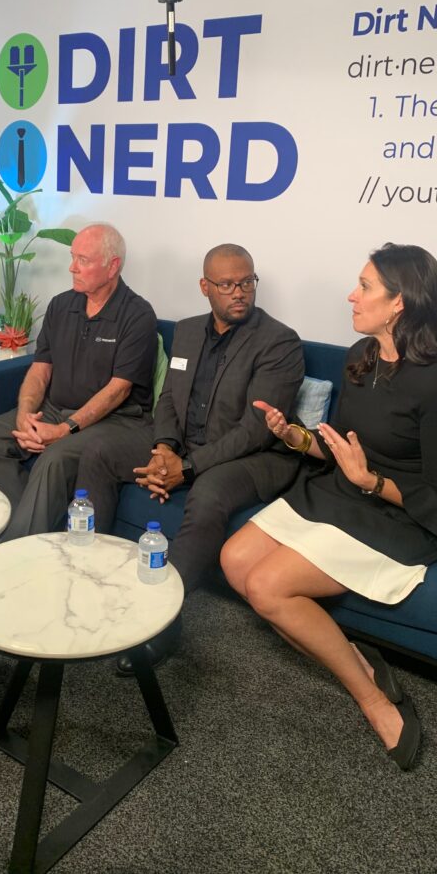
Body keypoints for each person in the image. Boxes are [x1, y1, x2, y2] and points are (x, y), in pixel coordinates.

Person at [220, 243, 437, 770]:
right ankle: (360, 658)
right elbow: (336, 447)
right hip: (342, 491)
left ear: (400, 302)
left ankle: (373, 699)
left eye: (364, 287)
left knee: (267, 587)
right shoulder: (360, 359)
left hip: (399, 515)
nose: (352, 296)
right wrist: (293, 436)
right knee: (234, 561)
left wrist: (372, 481)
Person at [77, 243, 305, 674]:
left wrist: (187, 468)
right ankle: (90, 573)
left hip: (254, 456)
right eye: (227, 285)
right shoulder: (186, 330)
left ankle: (160, 623)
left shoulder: (279, 342)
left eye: (247, 283)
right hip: (183, 447)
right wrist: (164, 447)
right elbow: (169, 399)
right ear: (205, 287)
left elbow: (255, 431)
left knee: (211, 490)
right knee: (100, 451)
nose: (239, 292)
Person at [0, 222, 157, 541]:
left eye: (83, 260)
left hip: (114, 422)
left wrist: (65, 430)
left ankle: (19, 550)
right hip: (54, 409)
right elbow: (40, 369)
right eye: (73, 257)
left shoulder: (137, 315)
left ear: (112, 267)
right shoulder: (61, 305)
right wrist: (25, 415)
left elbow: (118, 390)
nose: (72, 267)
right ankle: (28, 526)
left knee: (53, 460)